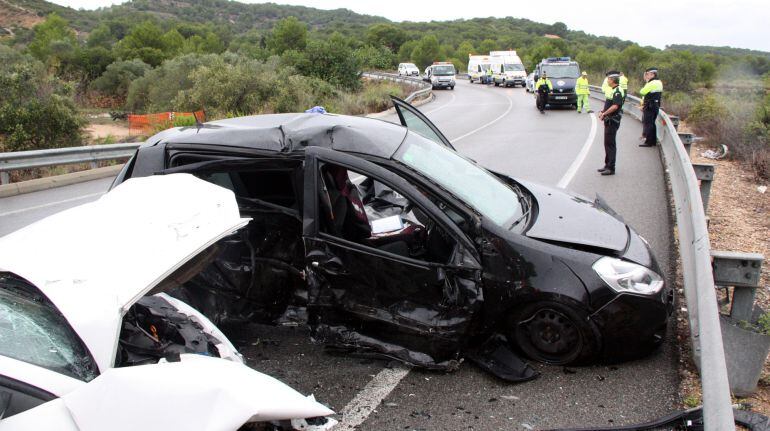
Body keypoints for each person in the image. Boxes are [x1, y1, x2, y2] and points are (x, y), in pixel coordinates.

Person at [597, 75, 624, 175]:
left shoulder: (617, 91)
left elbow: (615, 106)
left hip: (613, 120)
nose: (607, 80)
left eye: (608, 79)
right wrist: (602, 111)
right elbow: (609, 104)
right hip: (609, 120)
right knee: (607, 143)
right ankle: (607, 165)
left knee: (610, 144)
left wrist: (604, 114)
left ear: (612, 80)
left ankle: (611, 168)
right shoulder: (613, 89)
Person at [639, 67, 663, 147]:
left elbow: (642, 92)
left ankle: (648, 142)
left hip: (650, 106)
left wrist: (647, 82)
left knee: (648, 123)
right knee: (652, 123)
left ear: (653, 74)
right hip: (655, 105)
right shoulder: (659, 82)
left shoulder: (652, 83)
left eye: (648, 74)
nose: (646, 76)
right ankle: (653, 141)